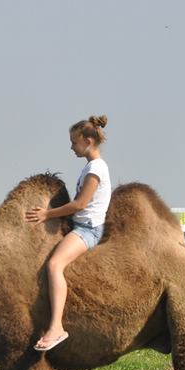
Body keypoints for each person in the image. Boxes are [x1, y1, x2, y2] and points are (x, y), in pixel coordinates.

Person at [25, 114, 112, 351]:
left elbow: (80, 204)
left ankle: (56, 328)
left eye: (74, 142)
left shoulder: (96, 168)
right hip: (80, 226)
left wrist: (46, 214)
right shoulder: (90, 167)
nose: (71, 147)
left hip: (88, 230)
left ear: (88, 141)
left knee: (54, 265)